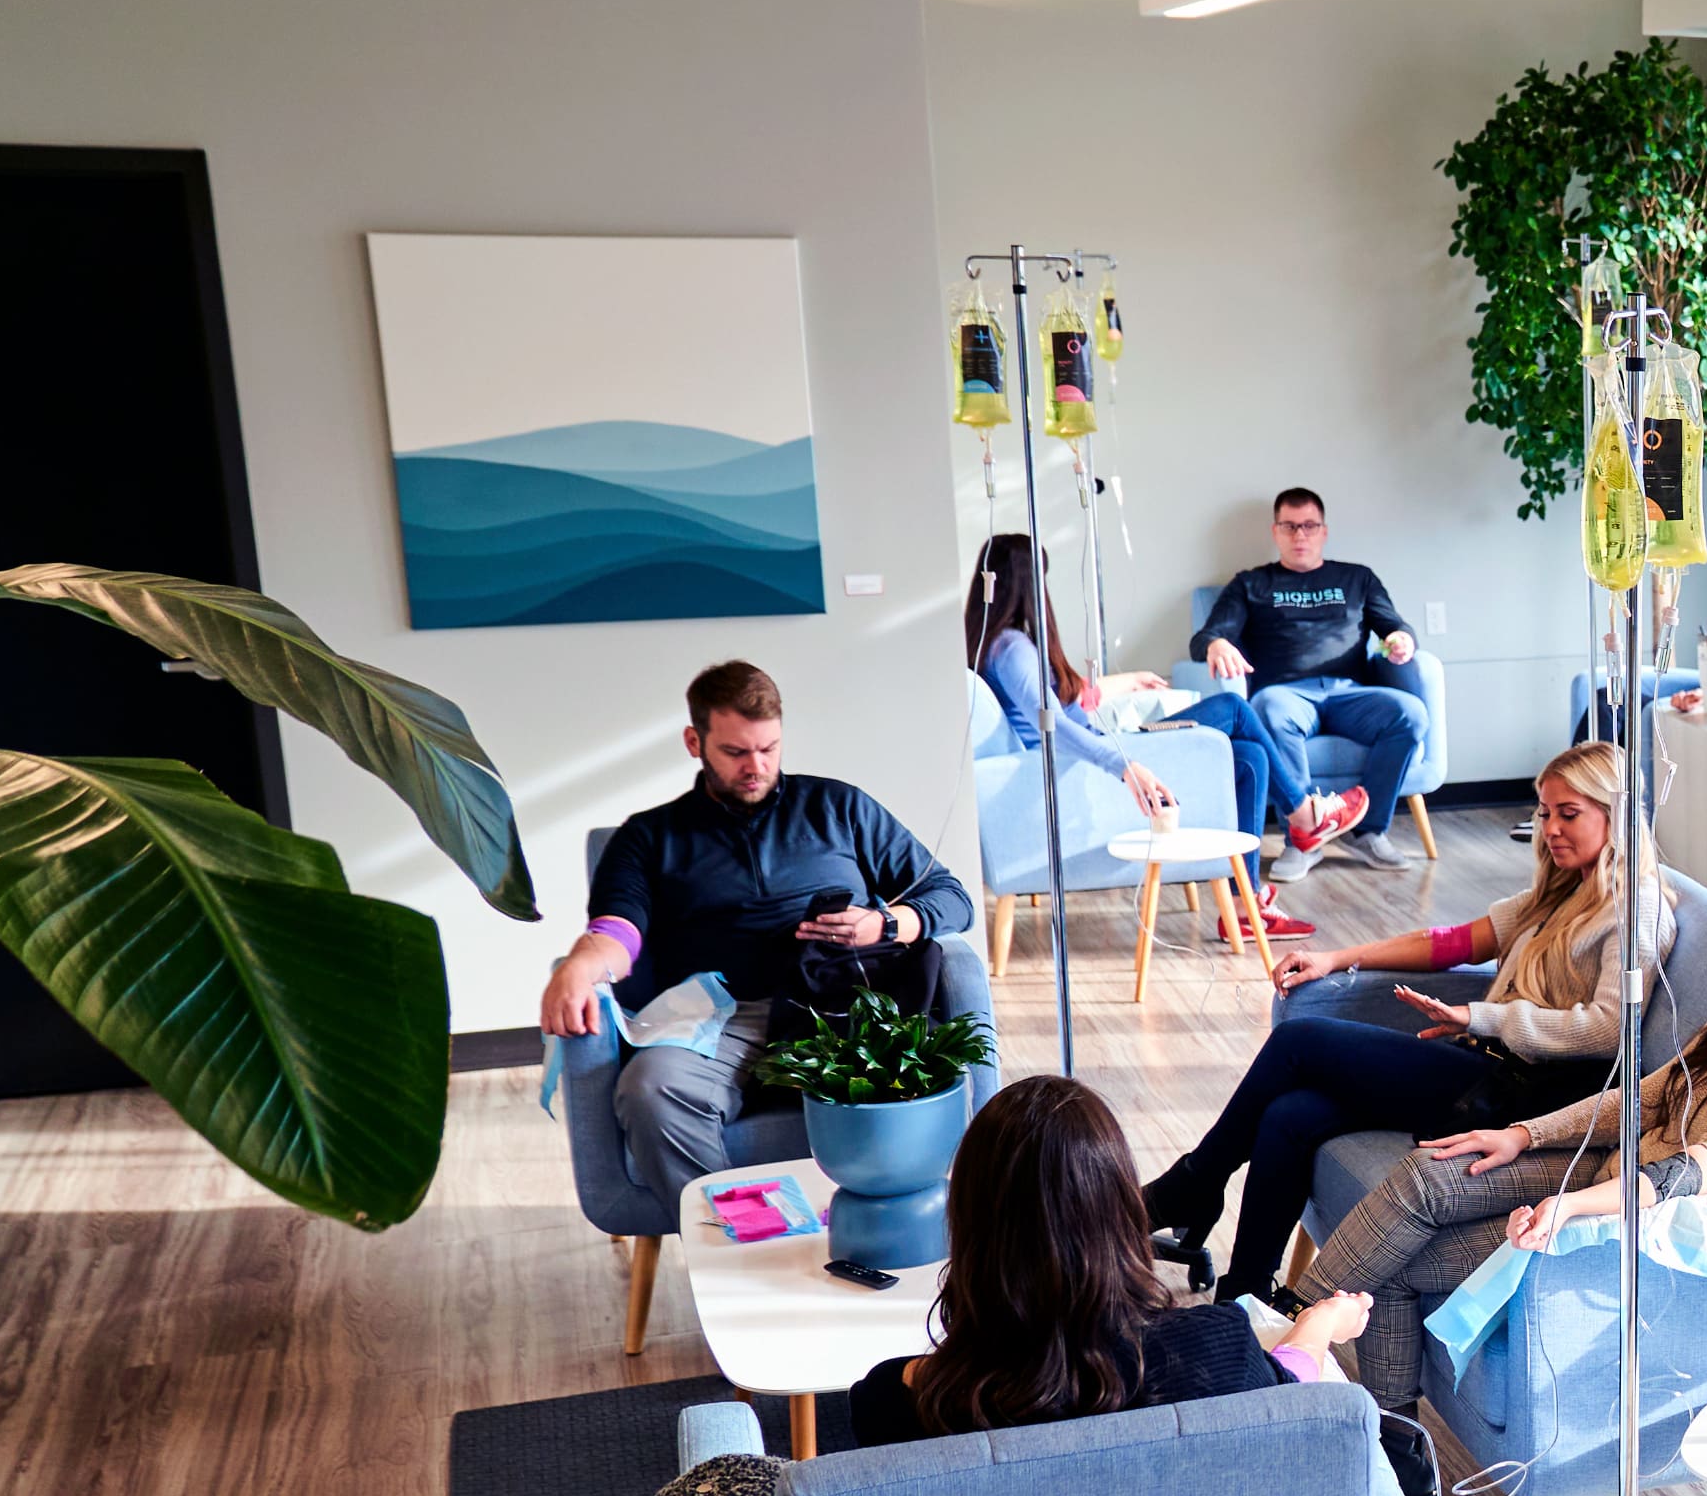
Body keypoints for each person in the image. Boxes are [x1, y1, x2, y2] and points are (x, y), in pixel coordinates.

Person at [1271, 865, 1707, 1413]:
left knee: (1399, 1269)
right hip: (1604, 1173)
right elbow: (1640, 1101)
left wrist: (1571, 1206)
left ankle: (1335, 1402)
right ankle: (1294, 1329)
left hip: (1638, 1227)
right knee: (1431, 1175)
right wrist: (1521, 1135)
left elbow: (1696, 1170)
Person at [1142, 743, 1670, 1303]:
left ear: (1616, 816)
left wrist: (1482, 1016)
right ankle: (1243, 1300)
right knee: (1288, 1115)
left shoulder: (1636, 906)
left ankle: (1194, 1183)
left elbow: (1612, 1028)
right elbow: (1452, 942)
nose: (1551, 828)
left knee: (1299, 1040)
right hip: (1488, 1068)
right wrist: (1336, 959)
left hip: (1530, 1098)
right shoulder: (1562, 891)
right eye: (1544, 812)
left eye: (1570, 814)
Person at [540, 661, 974, 1208]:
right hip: (723, 1017)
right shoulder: (649, 837)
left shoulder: (839, 807)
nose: (756, 766)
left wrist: (883, 923)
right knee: (650, 1090)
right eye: (736, 752)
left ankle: (921, 1245)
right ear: (694, 741)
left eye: (769, 748)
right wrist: (580, 964)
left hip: (840, 1006)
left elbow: (949, 896)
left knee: (934, 1073)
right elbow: (617, 929)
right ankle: (741, 1252)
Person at [843, 1076, 1317, 1448]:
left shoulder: (894, 1402)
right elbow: (1291, 1390)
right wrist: (1318, 1327)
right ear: (1121, 1210)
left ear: (971, 1226)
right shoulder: (1217, 1349)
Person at [964, 535, 1340, 943]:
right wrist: (1124, 766)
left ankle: (1241, 904)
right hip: (1100, 762)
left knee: (1249, 757)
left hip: (1105, 749)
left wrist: (1122, 684)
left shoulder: (1000, 644)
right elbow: (1054, 725)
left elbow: (1057, 704)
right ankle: (1303, 814)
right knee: (1233, 707)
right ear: (1028, 583)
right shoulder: (1014, 647)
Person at [1192, 487, 1422, 869]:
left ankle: (1367, 831)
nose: (1300, 535)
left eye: (1309, 526)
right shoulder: (1251, 584)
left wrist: (1402, 639)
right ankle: (1302, 840)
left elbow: (1395, 625)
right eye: (1290, 526)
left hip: (1350, 694)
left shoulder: (1358, 579)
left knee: (1410, 713)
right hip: (1286, 695)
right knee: (1269, 708)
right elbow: (1205, 637)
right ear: (1275, 532)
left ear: (1324, 531)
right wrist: (1216, 644)